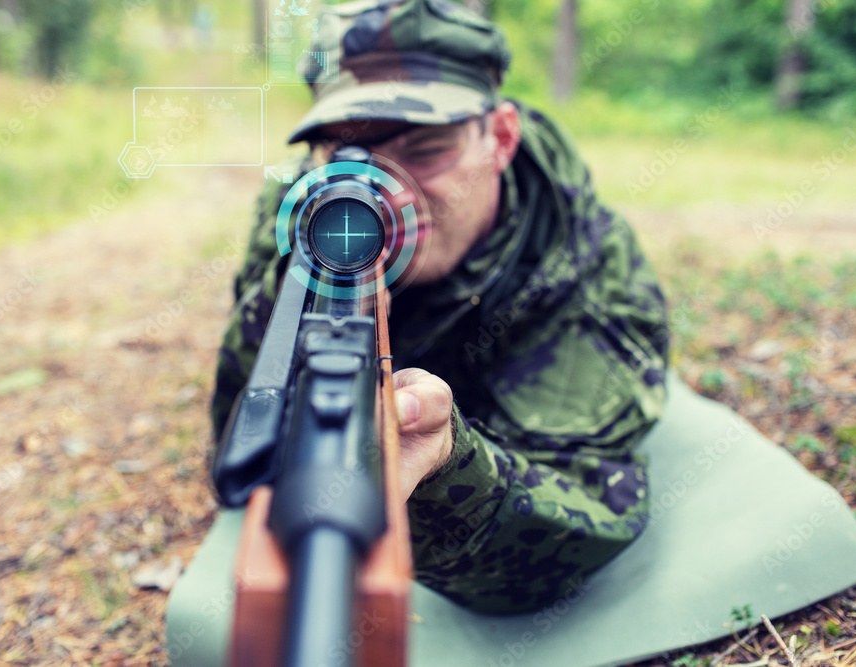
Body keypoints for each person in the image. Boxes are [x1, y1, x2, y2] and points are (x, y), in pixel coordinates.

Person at [210, 0, 668, 615]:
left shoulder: (577, 258)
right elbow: (239, 436)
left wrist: (449, 468)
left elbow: (578, 523)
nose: (385, 190)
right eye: (348, 154)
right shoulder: (306, 207)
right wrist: (293, 301)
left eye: (425, 148)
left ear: (501, 137)